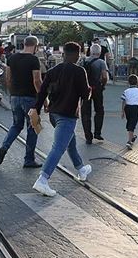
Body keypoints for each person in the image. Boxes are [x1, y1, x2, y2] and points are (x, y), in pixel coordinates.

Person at [28, 42, 93, 196]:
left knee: (70, 144)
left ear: (64, 54)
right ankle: (42, 180)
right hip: (68, 115)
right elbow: (85, 96)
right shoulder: (79, 71)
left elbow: (42, 92)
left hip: (54, 114)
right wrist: (89, 90)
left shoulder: (52, 71)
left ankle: (81, 169)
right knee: (59, 147)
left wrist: (36, 109)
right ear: (77, 55)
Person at [0, 35, 43, 168]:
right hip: (30, 98)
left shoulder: (12, 58)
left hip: (15, 97)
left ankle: (4, 147)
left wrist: (13, 93)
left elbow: (8, 78)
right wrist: (43, 97)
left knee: (16, 125)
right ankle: (29, 159)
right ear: (35, 46)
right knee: (33, 127)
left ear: (23, 45)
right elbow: (37, 81)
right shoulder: (34, 59)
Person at [81, 43, 109, 144]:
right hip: (97, 88)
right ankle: (97, 132)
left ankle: (88, 136)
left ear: (90, 51)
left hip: (85, 89)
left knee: (85, 113)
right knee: (99, 110)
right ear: (100, 52)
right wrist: (103, 85)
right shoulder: (101, 62)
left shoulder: (83, 60)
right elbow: (104, 77)